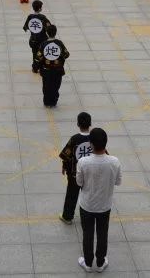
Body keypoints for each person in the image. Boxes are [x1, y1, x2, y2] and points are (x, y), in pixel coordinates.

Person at [75, 127, 121, 273]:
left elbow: (79, 183)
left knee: (87, 234)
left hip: (87, 205)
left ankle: (88, 263)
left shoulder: (83, 162)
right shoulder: (114, 161)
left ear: (91, 144)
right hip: (104, 206)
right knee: (102, 234)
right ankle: (101, 262)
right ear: (105, 143)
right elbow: (118, 182)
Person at [58, 112, 93, 224]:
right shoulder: (94, 137)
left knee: (72, 194)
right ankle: (89, 217)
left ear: (78, 124)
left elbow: (66, 155)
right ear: (90, 124)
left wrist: (64, 166)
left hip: (75, 174)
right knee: (89, 194)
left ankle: (67, 217)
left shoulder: (74, 139)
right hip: (91, 173)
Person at [36, 24, 69, 107]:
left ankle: (47, 102)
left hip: (46, 70)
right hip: (57, 70)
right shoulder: (59, 43)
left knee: (46, 86)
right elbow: (66, 54)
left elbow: (38, 57)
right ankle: (53, 102)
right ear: (55, 32)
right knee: (55, 86)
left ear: (47, 33)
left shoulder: (43, 44)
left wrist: (38, 66)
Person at [24, 0, 50, 74]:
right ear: (39, 9)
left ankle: (35, 68)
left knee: (35, 54)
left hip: (33, 40)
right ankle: (41, 68)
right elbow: (49, 27)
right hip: (42, 40)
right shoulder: (43, 18)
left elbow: (26, 28)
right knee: (42, 54)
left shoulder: (30, 17)